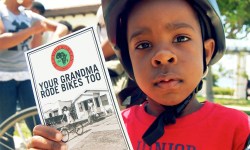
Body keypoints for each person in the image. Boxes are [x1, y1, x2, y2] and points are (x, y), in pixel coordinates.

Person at [27, 0, 250, 149]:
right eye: (143, 44)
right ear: (129, 63)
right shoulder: (107, 133)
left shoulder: (237, 130)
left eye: (181, 38)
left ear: (207, 51)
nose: (162, 55)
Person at [0, 0, 68, 149]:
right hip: (3, 76)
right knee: (4, 128)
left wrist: (51, 43)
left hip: (27, 76)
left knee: (39, 122)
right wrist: (32, 31)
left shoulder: (30, 16)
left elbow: (61, 27)